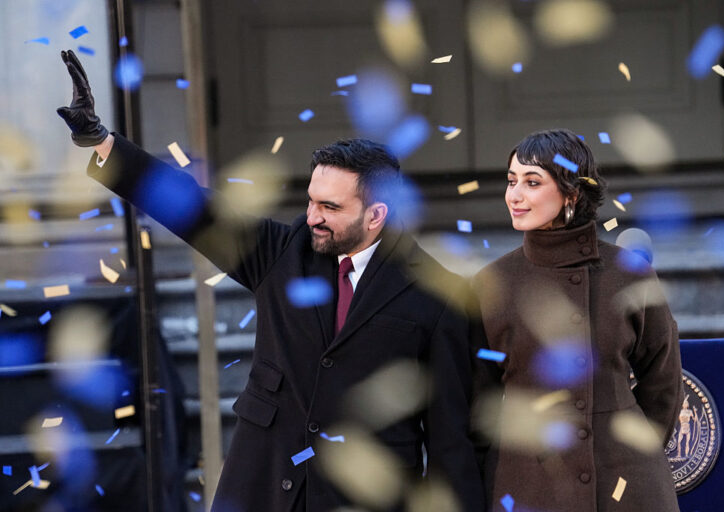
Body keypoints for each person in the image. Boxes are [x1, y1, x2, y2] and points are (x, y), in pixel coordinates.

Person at [56, 49, 485, 511]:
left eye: (330, 208)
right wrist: (101, 142)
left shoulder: (437, 295)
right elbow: (192, 209)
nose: (312, 217)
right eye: (311, 200)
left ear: (377, 214)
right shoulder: (284, 252)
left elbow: (449, 441)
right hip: (261, 482)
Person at [473, 129, 683, 512]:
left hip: (626, 486)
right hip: (527, 486)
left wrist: (636, 450)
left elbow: (663, 381)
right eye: (511, 181)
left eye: (532, 182)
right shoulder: (491, 285)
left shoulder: (628, 274)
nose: (514, 196)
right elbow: (476, 402)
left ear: (571, 193)